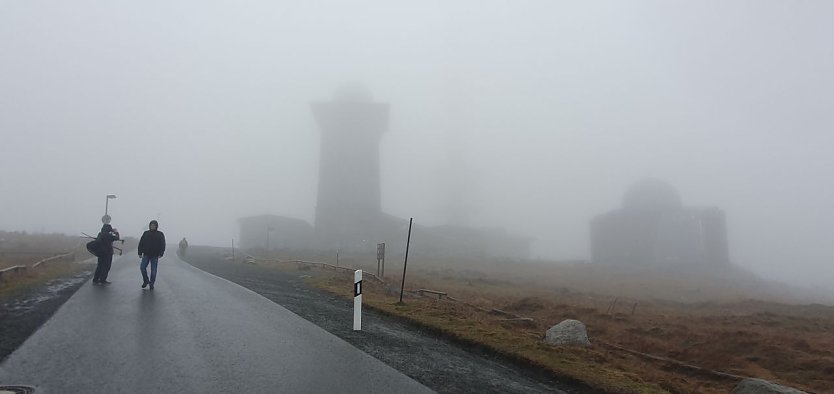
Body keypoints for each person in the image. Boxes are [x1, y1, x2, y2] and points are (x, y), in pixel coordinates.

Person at [138, 220, 166, 290]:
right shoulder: (146, 233)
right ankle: (146, 280)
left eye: (154, 225)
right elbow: (141, 243)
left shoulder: (160, 234)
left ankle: (151, 283)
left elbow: (163, 244)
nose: (152, 226)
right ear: (149, 226)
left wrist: (161, 253)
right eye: (151, 225)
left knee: (153, 271)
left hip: (155, 255)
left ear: (156, 226)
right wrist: (139, 252)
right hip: (146, 254)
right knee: (142, 268)